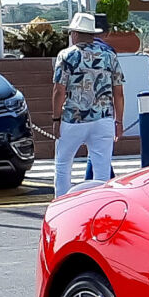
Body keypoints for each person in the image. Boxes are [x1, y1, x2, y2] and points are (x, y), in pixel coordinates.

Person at [50, 13, 124, 195]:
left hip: (73, 119)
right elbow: (118, 92)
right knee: (102, 170)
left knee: (63, 164)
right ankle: (101, 208)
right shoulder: (109, 55)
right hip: (103, 118)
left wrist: (56, 118)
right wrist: (119, 121)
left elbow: (59, 91)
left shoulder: (66, 55)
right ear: (92, 34)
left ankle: (61, 204)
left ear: (74, 34)